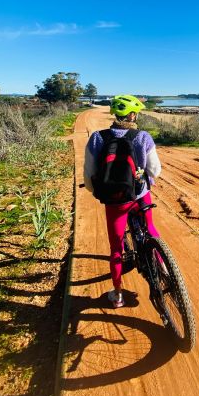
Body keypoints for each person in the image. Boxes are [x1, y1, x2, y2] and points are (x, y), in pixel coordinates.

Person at [83, 94, 162, 308]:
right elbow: (155, 170)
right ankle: (162, 264)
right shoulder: (143, 136)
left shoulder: (98, 138)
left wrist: (99, 192)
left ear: (114, 114)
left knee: (116, 248)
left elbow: (88, 176)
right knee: (150, 227)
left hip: (115, 202)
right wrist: (146, 178)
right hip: (139, 194)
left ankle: (117, 295)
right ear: (133, 115)